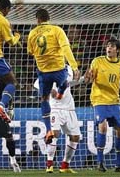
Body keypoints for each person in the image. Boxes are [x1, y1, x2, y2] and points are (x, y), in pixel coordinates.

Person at [84, 37, 120, 172]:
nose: (109, 48)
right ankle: (100, 163)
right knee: (102, 127)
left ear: (117, 50)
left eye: (112, 46)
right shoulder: (97, 61)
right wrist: (87, 77)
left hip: (115, 101)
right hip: (99, 100)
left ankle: (119, 164)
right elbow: (88, 79)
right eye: (108, 46)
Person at [27, 8, 80, 144]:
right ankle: (61, 93)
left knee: (44, 99)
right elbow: (66, 47)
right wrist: (74, 66)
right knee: (64, 83)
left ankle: (49, 129)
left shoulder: (32, 33)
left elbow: (30, 52)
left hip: (43, 72)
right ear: (48, 18)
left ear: (37, 20)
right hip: (58, 69)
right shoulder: (57, 30)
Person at [34, 65, 81, 174]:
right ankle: (49, 165)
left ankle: (65, 166)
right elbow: (37, 83)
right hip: (54, 107)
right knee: (54, 134)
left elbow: (69, 83)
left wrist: (83, 80)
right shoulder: (48, 64)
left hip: (69, 108)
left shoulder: (69, 68)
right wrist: (50, 90)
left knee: (75, 137)